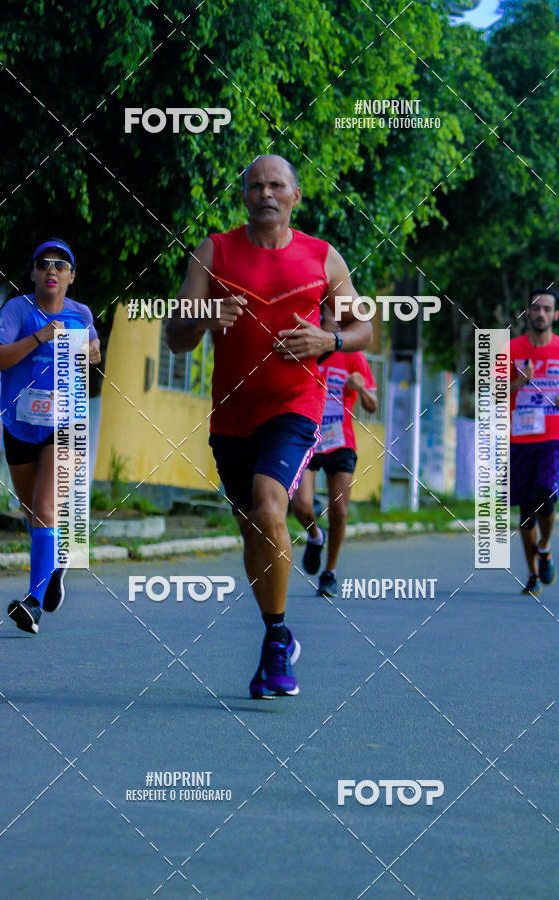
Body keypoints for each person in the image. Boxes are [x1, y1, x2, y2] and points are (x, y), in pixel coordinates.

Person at [166, 154, 372, 698]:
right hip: (232, 414)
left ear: (295, 196)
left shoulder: (323, 258)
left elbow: (363, 328)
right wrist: (208, 317)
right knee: (253, 533)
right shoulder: (213, 252)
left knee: (269, 507)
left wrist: (329, 342)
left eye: (276, 184)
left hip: (295, 403)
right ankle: (274, 632)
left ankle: (277, 640)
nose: (266, 193)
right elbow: (175, 335)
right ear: (243, 196)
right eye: (255, 185)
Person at [0, 239, 100, 633]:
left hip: (65, 426)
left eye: (60, 264)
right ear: (34, 272)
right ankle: (57, 564)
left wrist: (90, 349)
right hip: (20, 426)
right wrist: (39, 338)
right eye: (43, 264)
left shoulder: (80, 313)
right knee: (34, 513)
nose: (51, 269)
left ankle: (32, 603)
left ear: (71, 276)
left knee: (46, 506)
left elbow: (95, 351)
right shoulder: (17, 311)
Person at [292, 332, 377, 598]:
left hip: (341, 442)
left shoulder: (354, 355)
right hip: (309, 437)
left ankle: (329, 572)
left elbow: (372, 405)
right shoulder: (307, 346)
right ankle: (316, 536)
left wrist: (360, 387)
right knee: (301, 504)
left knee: (339, 511)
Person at [509, 289, 559, 595]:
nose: (541, 313)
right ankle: (533, 575)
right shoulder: (512, 349)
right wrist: (519, 381)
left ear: (555, 315)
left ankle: (545, 545)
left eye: (547, 309)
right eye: (536, 308)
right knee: (526, 512)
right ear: (528, 313)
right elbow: (494, 391)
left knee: (545, 491)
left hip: (554, 435)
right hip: (520, 437)